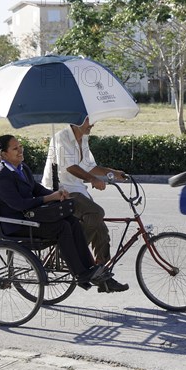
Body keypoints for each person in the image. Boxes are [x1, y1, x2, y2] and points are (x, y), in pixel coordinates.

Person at [0, 134, 110, 290]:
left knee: (72, 221)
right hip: (16, 224)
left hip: (31, 217)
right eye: (15, 148)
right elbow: (19, 205)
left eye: (21, 147)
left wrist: (57, 194)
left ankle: (89, 268)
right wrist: (48, 198)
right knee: (62, 227)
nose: (20, 151)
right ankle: (80, 274)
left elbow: (37, 189)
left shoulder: (22, 168)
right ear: (4, 154)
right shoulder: (1, 177)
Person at [42, 117, 129, 293]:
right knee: (97, 213)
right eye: (88, 120)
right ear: (75, 119)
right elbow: (70, 167)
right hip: (61, 191)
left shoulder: (84, 138)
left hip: (78, 190)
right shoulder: (62, 138)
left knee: (101, 230)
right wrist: (92, 180)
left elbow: (89, 166)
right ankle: (69, 252)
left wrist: (113, 172)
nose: (92, 123)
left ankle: (102, 275)